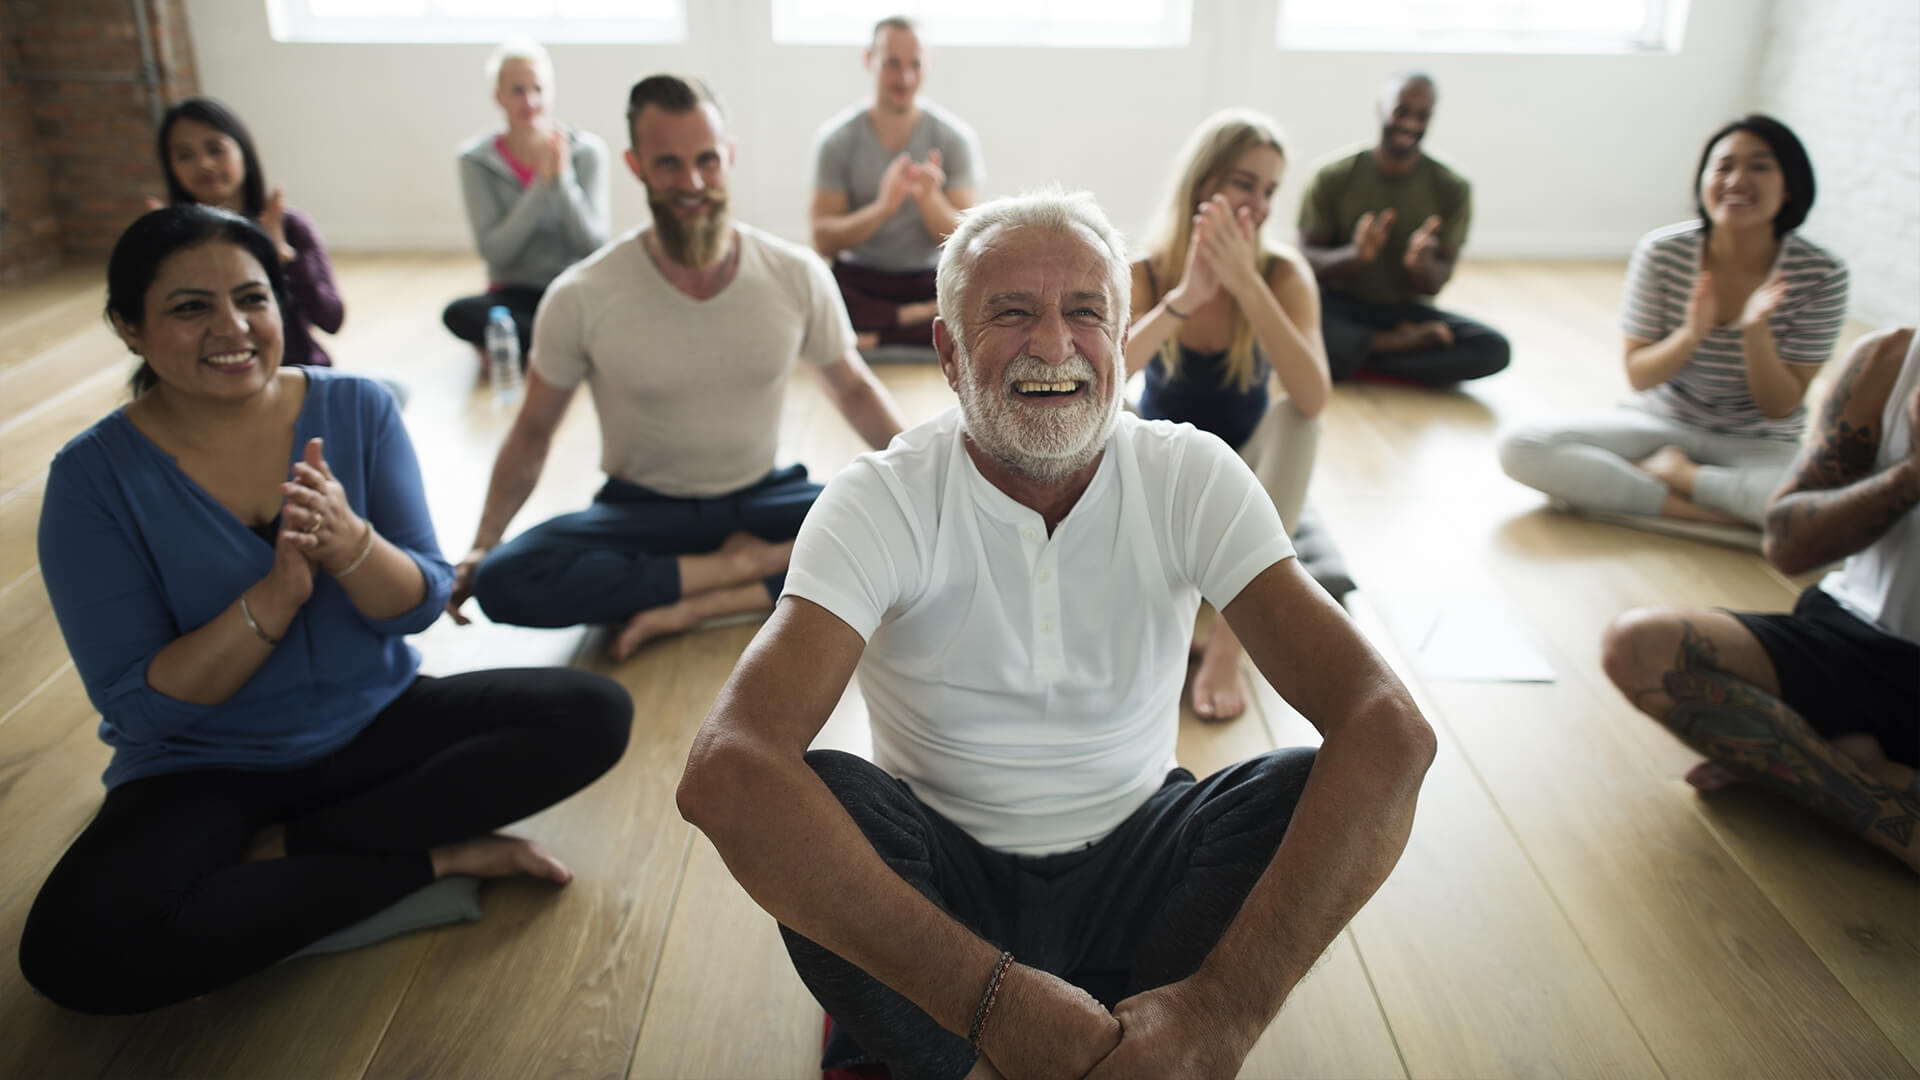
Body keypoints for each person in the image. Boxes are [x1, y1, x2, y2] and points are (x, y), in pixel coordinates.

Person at [678, 190, 1436, 1079]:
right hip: (944, 883)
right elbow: (726, 771)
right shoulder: (880, 497)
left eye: (1087, 314)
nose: (1053, 344)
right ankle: (1041, 1050)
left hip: (1143, 861)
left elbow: (1389, 730)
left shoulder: (1187, 473)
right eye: (1011, 313)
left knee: (1300, 793)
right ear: (950, 353)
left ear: (1122, 342)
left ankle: (1161, 1038)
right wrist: (988, 1000)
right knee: (823, 804)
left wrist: (1223, 1014)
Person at [19, 205, 633, 1015]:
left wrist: (349, 546)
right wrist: (274, 599)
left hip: (376, 724)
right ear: (129, 327)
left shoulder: (356, 409)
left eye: (253, 298)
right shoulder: (92, 479)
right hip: (204, 765)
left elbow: (414, 607)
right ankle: (429, 863)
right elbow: (139, 699)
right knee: (75, 951)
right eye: (190, 306)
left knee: (592, 712)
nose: (232, 327)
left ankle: (298, 853)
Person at [449, 75, 905, 661]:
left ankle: (700, 600)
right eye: (668, 165)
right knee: (504, 580)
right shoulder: (583, 294)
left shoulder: (794, 274)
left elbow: (854, 390)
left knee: (895, 526)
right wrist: (483, 544)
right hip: (640, 514)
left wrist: (921, 482)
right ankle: (753, 575)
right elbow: (534, 429)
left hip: (764, 502)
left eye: (707, 162)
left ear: (729, 158)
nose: (692, 183)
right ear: (635, 165)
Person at [1600, 327, 1919, 875]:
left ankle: (1814, 761)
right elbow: (1788, 545)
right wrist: (1912, 473)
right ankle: (1892, 814)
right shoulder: (1888, 362)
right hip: (1851, 635)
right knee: (1639, 646)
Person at [1498, 115, 1849, 531]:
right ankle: (1704, 514)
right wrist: (1690, 335)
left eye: (1759, 166)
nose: (1737, 180)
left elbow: (1779, 407)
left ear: (1790, 184)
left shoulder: (1821, 273)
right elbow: (1639, 376)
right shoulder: (1663, 253)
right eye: (1723, 167)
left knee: (1818, 511)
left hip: (1757, 443)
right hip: (1660, 423)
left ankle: (1676, 480)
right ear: (1703, 181)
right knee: (1522, 448)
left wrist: (1756, 334)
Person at [1125, 108, 1331, 722]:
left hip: (1245, 481)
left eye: (1270, 190)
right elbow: (1105, 379)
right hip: (1167, 474)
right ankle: (1185, 604)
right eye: (1245, 184)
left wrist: (1246, 286)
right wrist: (1186, 299)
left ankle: (1226, 648)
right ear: (1204, 183)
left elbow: (1314, 396)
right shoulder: (1147, 270)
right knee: (1108, 409)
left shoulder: (1283, 275)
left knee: (1300, 419)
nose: (1261, 205)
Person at [1297, 71, 1509, 386]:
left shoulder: (1453, 187)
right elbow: (1305, 264)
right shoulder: (1333, 176)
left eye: (1422, 115)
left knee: (1494, 349)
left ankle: (1356, 358)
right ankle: (1394, 348)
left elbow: (1437, 282)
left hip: (1408, 313)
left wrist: (1423, 267)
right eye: (1401, 111)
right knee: (1290, 321)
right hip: (1341, 308)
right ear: (1379, 109)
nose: (1410, 124)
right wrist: (1354, 255)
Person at [810, 15, 983, 353]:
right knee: (816, 292)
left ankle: (879, 333)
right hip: (861, 281)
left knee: (977, 297)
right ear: (869, 60)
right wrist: (882, 208)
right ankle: (914, 322)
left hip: (926, 280)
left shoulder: (954, 139)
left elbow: (968, 245)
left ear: (929, 66)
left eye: (915, 65)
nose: (904, 78)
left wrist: (929, 201)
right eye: (892, 64)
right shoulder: (837, 141)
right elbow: (823, 240)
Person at [442, 38, 610, 358]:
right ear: (498, 97)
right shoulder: (475, 161)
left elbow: (592, 245)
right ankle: (562, 345)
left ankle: (537, 346)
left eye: (538, 89)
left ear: (551, 92)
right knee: (459, 313)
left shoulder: (587, 152)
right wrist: (541, 188)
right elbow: (495, 253)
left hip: (574, 289)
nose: (529, 101)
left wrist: (562, 181)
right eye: (517, 90)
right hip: (514, 294)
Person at [157, 97, 344, 369]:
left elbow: (331, 318)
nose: (204, 164)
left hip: (295, 377)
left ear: (242, 150)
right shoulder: (166, 238)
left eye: (215, 149)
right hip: (214, 384)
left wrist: (285, 259)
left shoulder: (290, 226)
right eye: (185, 155)